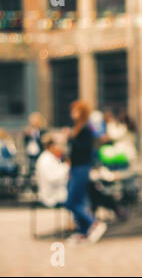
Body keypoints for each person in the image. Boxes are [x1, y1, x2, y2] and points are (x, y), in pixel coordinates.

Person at [64, 100, 107, 244]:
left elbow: (84, 149)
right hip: (76, 167)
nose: (72, 113)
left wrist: (70, 138)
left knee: (71, 201)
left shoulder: (86, 129)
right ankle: (82, 231)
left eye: (75, 110)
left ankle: (93, 223)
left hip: (81, 167)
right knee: (80, 199)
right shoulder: (78, 128)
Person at [35, 133, 68, 207]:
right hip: (51, 196)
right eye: (59, 145)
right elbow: (51, 179)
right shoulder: (45, 159)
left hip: (57, 192)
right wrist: (66, 167)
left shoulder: (52, 158)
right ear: (51, 146)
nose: (61, 148)